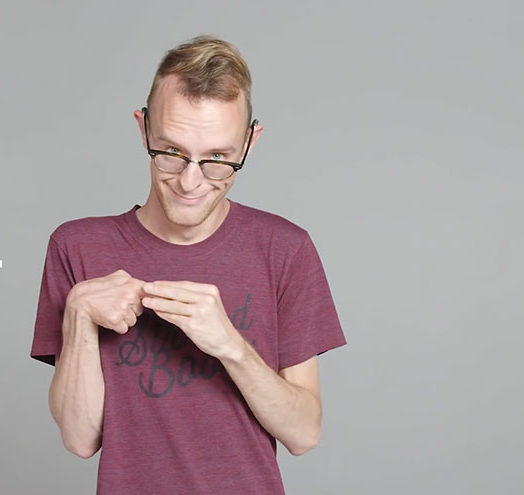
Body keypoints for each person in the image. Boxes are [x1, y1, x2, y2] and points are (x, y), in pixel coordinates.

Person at [29, 34, 347, 495]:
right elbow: (80, 439)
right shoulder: (77, 247)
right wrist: (78, 312)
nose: (191, 180)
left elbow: (304, 433)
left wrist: (231, 346)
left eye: (218, 158)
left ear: (249, 143)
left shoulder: (285, 248)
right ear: (143, 130)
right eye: (171, 152)